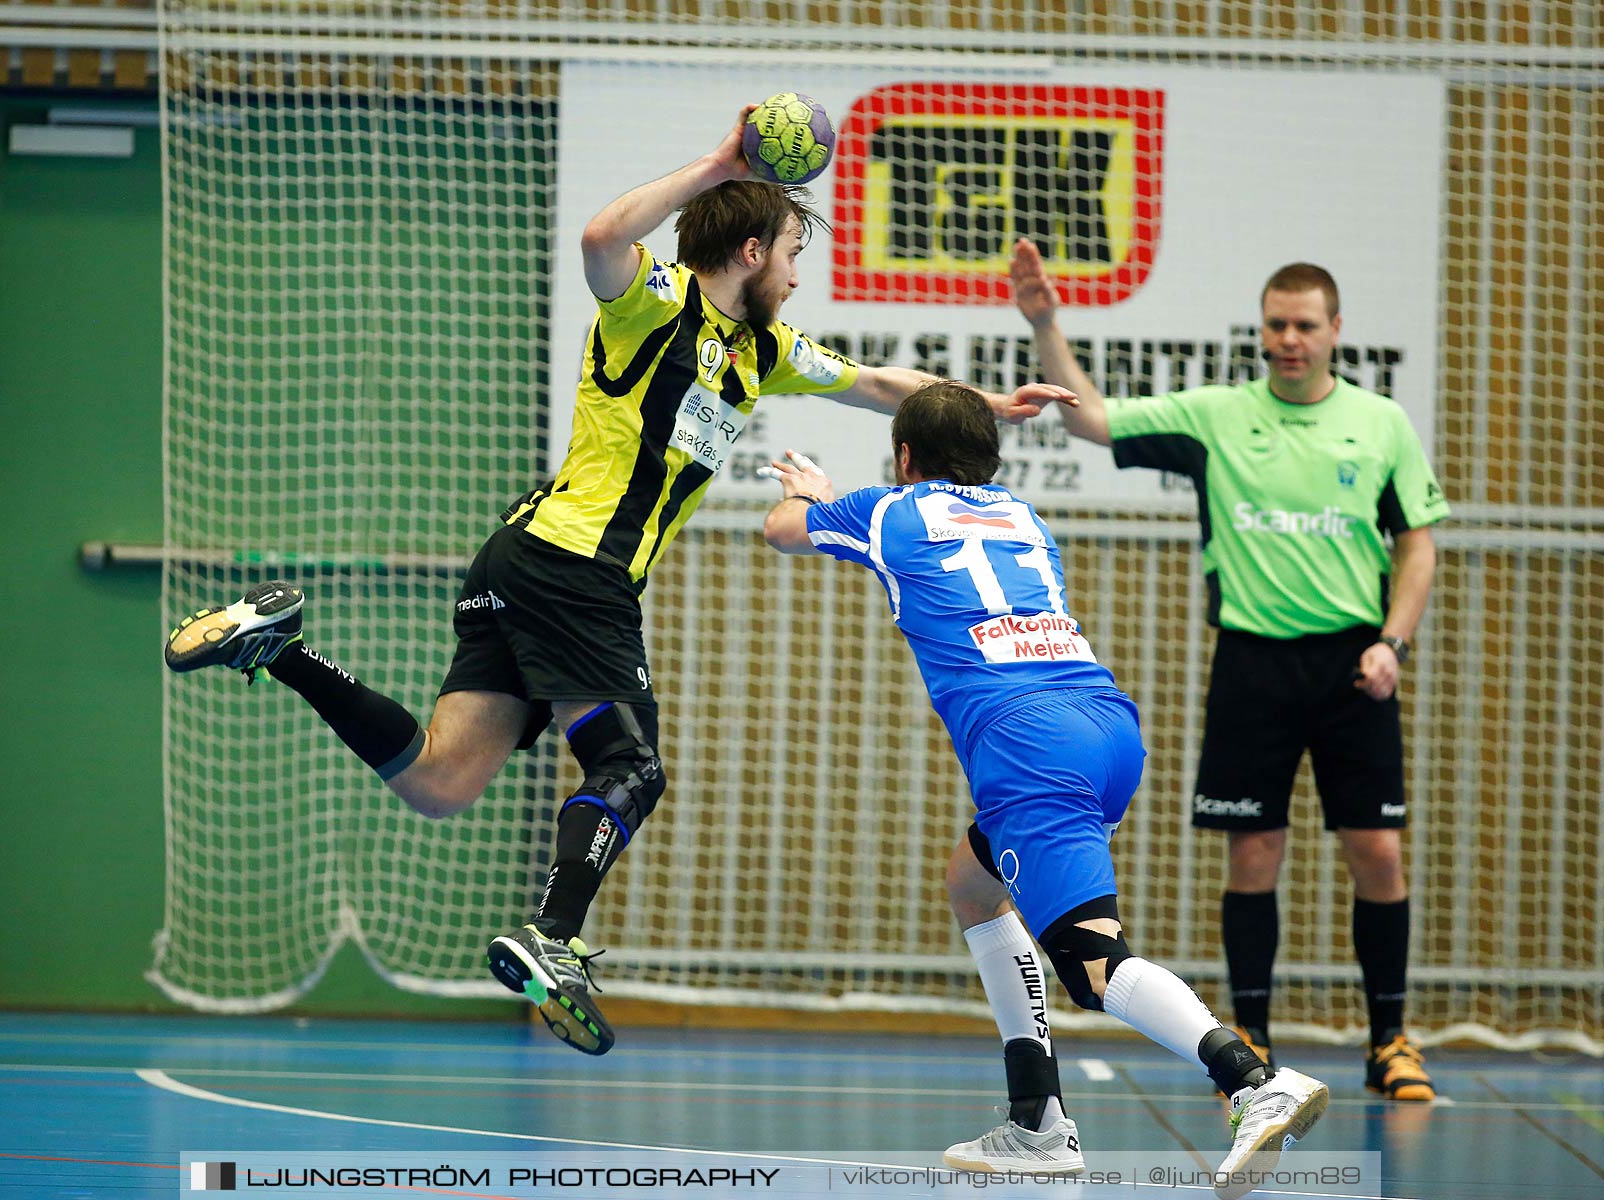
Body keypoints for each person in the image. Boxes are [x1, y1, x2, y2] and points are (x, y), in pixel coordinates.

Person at [160, 105, 1074, 1058]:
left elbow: (880, 383)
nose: (800, 278)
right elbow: (601, 235)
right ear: (752, 250)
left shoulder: (763, 352)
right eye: (795, 254)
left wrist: (985, 404)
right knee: (630, 766)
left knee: (438, 781)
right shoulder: (654, 299)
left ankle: (280, 646)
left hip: (527, 565)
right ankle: (552, 937)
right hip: (576, 568)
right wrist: (719, 162)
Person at [760, 381, 1329, 1199]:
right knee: (972, 882)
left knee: (1093, 963)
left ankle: (1249, 1079)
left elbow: (781, 531)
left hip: (1029, 746)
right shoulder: (1023, 517)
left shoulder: (888, 510)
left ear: (906, 457)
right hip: (1104, 724)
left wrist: (810, 496)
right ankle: (1037, 1121)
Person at [1009, 239, 1448, 1101]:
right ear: (1263, 330)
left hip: (1354, 663)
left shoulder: (1381, 423)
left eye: (1306, 326)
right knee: (1254, 853)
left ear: (1335, 331)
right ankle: (1249, 1039)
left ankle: (1390, 1040)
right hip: (1251, 663)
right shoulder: (1215, 415)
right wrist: (1043, 321)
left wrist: (1391, 643)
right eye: (1276, 325)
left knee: (1381, 853)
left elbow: (1419, 544)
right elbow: (1089, 421)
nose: (1290, 339)